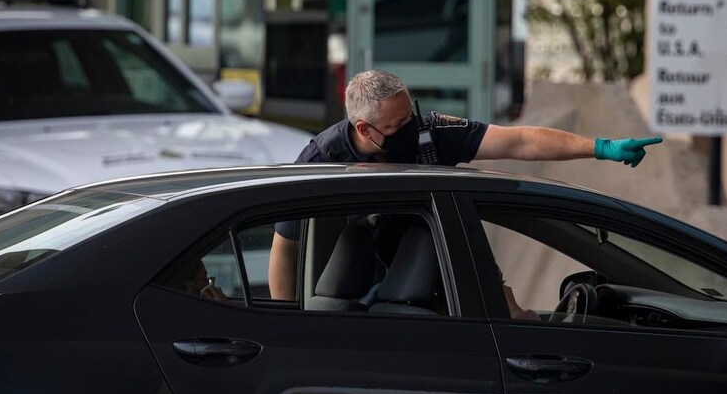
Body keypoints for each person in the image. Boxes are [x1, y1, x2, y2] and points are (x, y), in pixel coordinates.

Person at [268, 69, 662, 300]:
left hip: (439, 279)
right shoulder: (321, 160)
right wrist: (284, 322)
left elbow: (519, 140)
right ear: (362, 129)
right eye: (396, 125)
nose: (410, 128)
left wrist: (599, 147)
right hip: (359, 291)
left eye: (410, 116)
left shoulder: (431, 133)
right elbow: (285, 247)